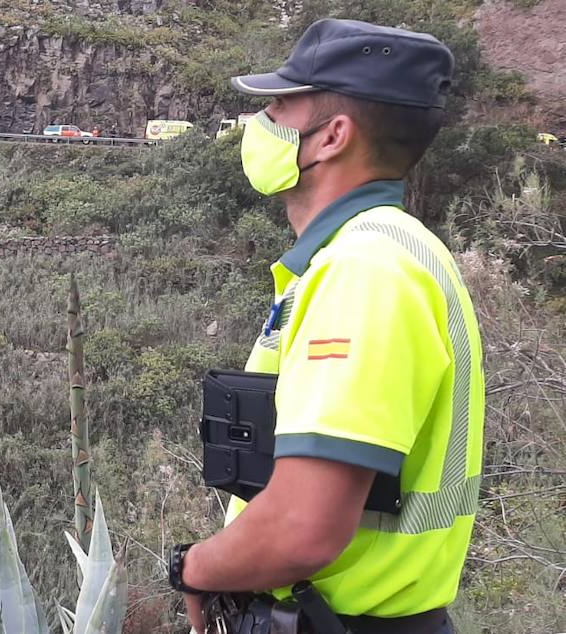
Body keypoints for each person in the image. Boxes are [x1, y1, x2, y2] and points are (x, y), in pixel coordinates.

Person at [168, 19, 485, 633]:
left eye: (282, 105)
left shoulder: (364, 269)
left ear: (331, 136)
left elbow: (303, 528)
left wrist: (194, 568)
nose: (262, 123)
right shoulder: (400, 250)